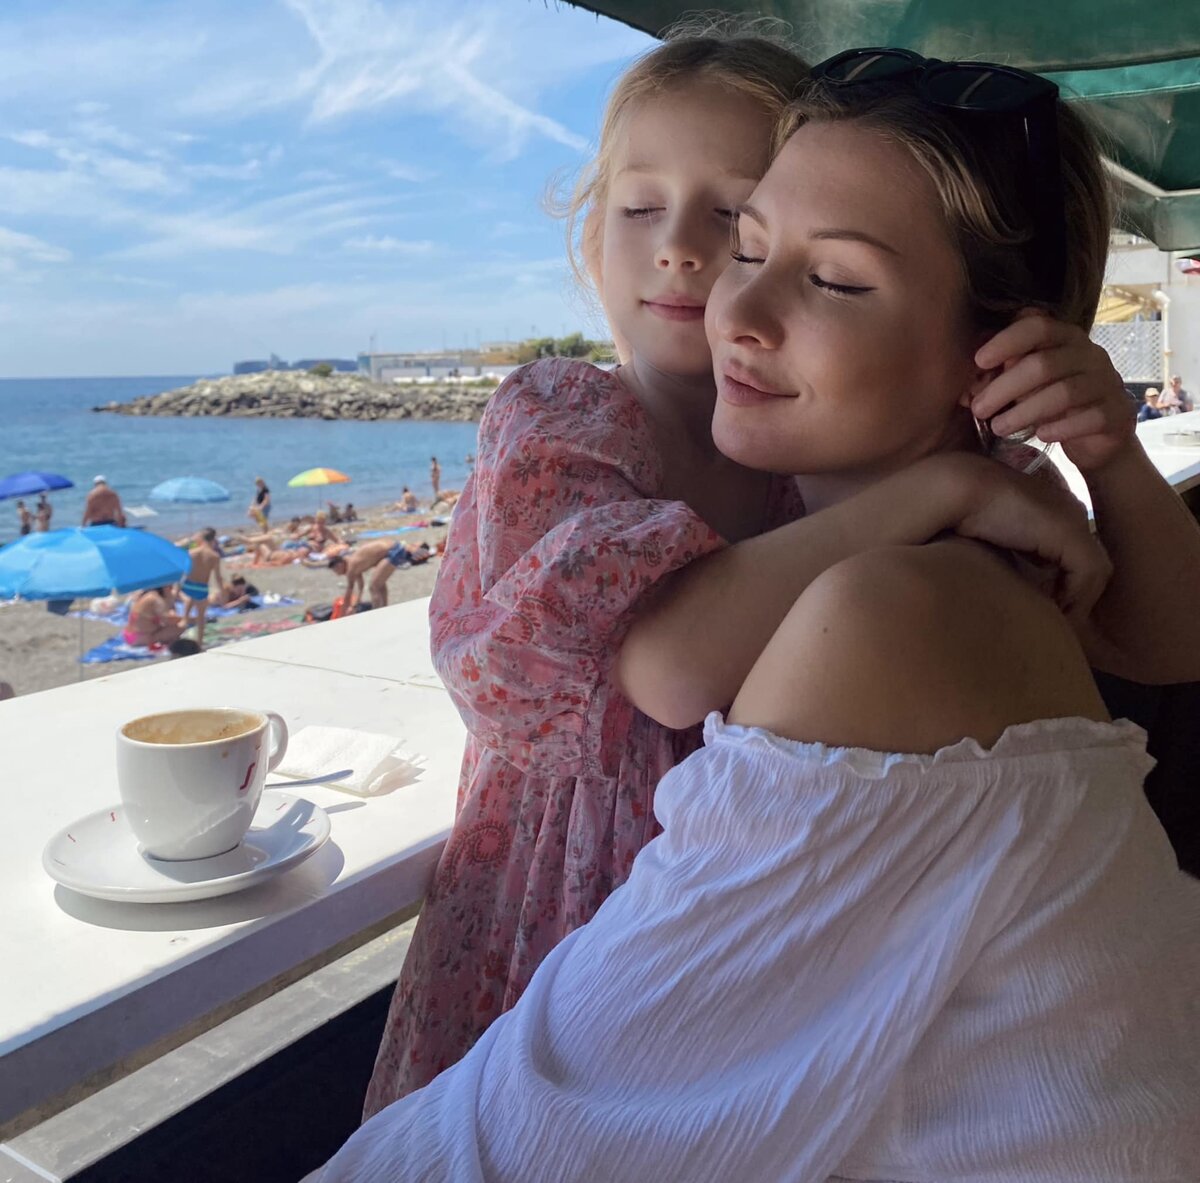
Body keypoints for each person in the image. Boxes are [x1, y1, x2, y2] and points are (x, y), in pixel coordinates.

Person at [319, 47, 1200, 1182]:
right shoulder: (918, 517)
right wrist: (954, 481)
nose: (733, 302)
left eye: (834, 279)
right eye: (752, 248)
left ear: (996, 356)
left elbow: (1169, 642)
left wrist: (1106, 451)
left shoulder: (909, 597)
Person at [328, 539, 424, 610]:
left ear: (339, 565)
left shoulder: (351, 568)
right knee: (379, 584)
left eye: (336, 571)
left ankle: (376, 611)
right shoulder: (353, 562)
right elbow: (361, 585)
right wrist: (357, 601)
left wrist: (345, 610)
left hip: (393, 551)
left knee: (373, 587)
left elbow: (349, 591)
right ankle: (384, 608)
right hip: (395, 548)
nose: (338, 574)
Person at [180, 528, 225, 648]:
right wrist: (222, 592)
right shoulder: (214, 556)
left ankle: (184, 620)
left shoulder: (191, 553)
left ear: (202, 539)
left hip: (187, 585)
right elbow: (218, 577)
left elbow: (183, 570)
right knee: (200, 617)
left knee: (190, 598)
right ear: (213, 540)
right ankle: (199, 643)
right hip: (201, 588)